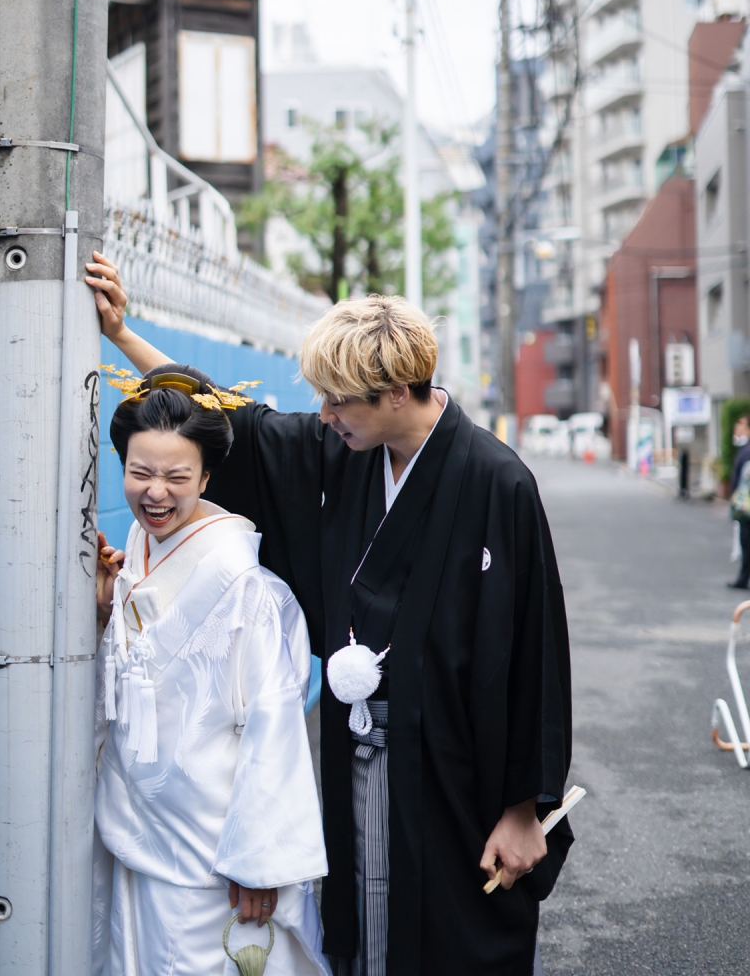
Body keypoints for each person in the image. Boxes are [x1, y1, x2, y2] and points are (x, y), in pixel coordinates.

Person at [87, 253, 573, 976]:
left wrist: (526, 807)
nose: (323, 416)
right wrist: (125, 336)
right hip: (361, 743)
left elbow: (537, 648)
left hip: (457, 765)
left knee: (455, 929)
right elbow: (231, 422)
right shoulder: (345, 451)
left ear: (398, 391)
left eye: (339, 402)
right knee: (362, 921)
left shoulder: (497, 481)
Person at [92, 359, 330, 976]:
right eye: (139, 473)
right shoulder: (137, 555)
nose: (155, 492)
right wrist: (100, 614)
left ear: (206, 474)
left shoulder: (249, 588)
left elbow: (274, 729)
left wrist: (259, 863)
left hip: (213, 852)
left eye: (176, 476)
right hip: (135, 829)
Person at [727, 415, 750, 590]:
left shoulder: (748, 449)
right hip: (743, 504)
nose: (737, 427)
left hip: (746, 505)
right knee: (745, 542)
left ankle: (743, 578)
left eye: (741, 424)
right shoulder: (744, 448)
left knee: (747, 542)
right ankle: (743, 577)